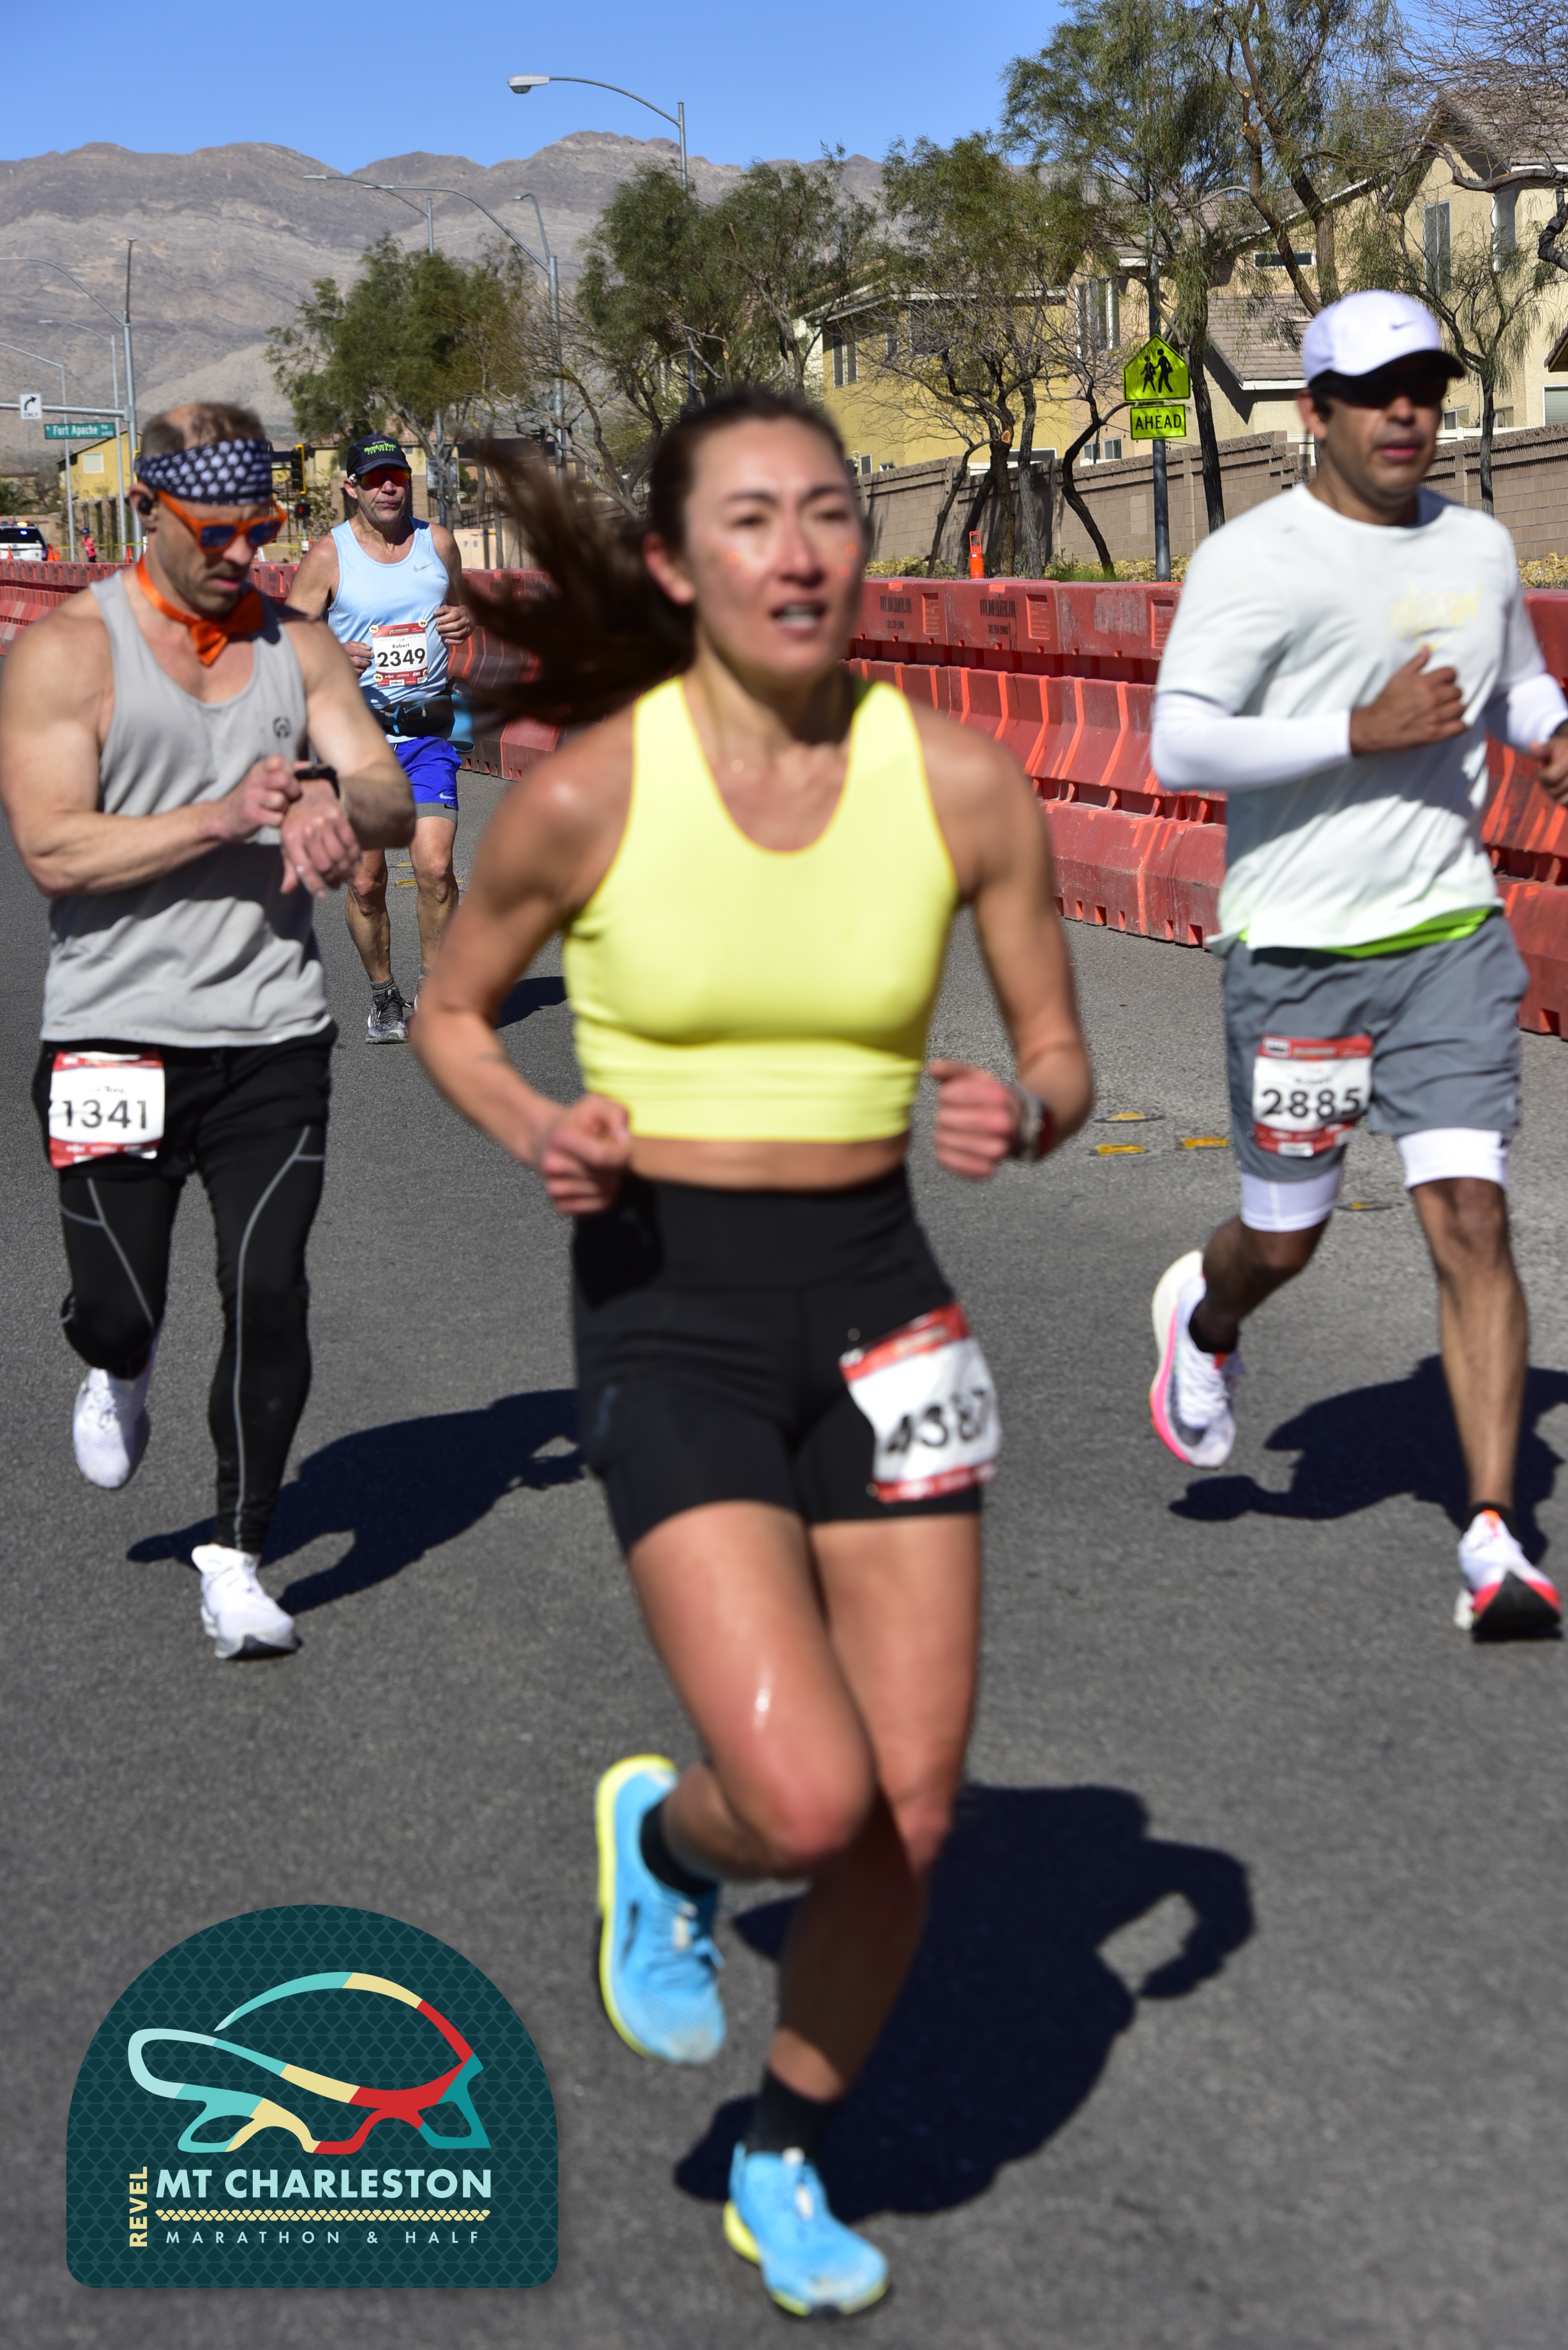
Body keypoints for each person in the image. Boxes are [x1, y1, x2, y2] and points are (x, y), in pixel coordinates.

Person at [412, 388, 1093, 2316]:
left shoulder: (955, 783)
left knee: (912, 1807)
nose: (795, 551)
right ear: (671, 562)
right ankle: (667, 1833)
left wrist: (1029, 1107)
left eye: (825, 511)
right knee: (801, 1798)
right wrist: (536, 1124)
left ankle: (784, 2146)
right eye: (747, 517)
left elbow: (1056, 1048)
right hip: (671, 1301)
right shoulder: (589, 795)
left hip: (886, 1301)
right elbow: (455, 1012)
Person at [1149, 289, 1568, 1641]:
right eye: (1380, 391)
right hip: (1299, 954)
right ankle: (1206, 1320)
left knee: (1471, 1217)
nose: (1407, 412)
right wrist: (1357, 729)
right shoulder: (1252, 559)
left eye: (1427, 388)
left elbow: (1512, 678)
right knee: (1285, 1239)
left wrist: (1549, 731)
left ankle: (1494, 1537)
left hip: (1447, 934)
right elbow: (1179, 743)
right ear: (1314, 411)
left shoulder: (1479, 546)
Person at [0, 402, 413, 1659]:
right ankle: (117, 1362)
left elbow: (389, 791)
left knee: (269, 1289)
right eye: (217, 531)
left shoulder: (300, 647)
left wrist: (334, 797)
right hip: (109, 1035)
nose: (245, 553)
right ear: (148, 512)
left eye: (262, 528)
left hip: (271, 1034)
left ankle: (236, 1555)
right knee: (120, 1309)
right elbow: (55, 850)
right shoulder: (68, 655)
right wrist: (225, 816)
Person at [285, 432, 471, 1042]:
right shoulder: (328, 555)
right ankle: (384, 996)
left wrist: (464, 621)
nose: (388, 487)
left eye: (397, 476)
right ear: (351, 488)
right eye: (374, 479)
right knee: (367, 882)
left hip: (427, 732)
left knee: (435, 867)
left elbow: (462, 611)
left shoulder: (437, 543)